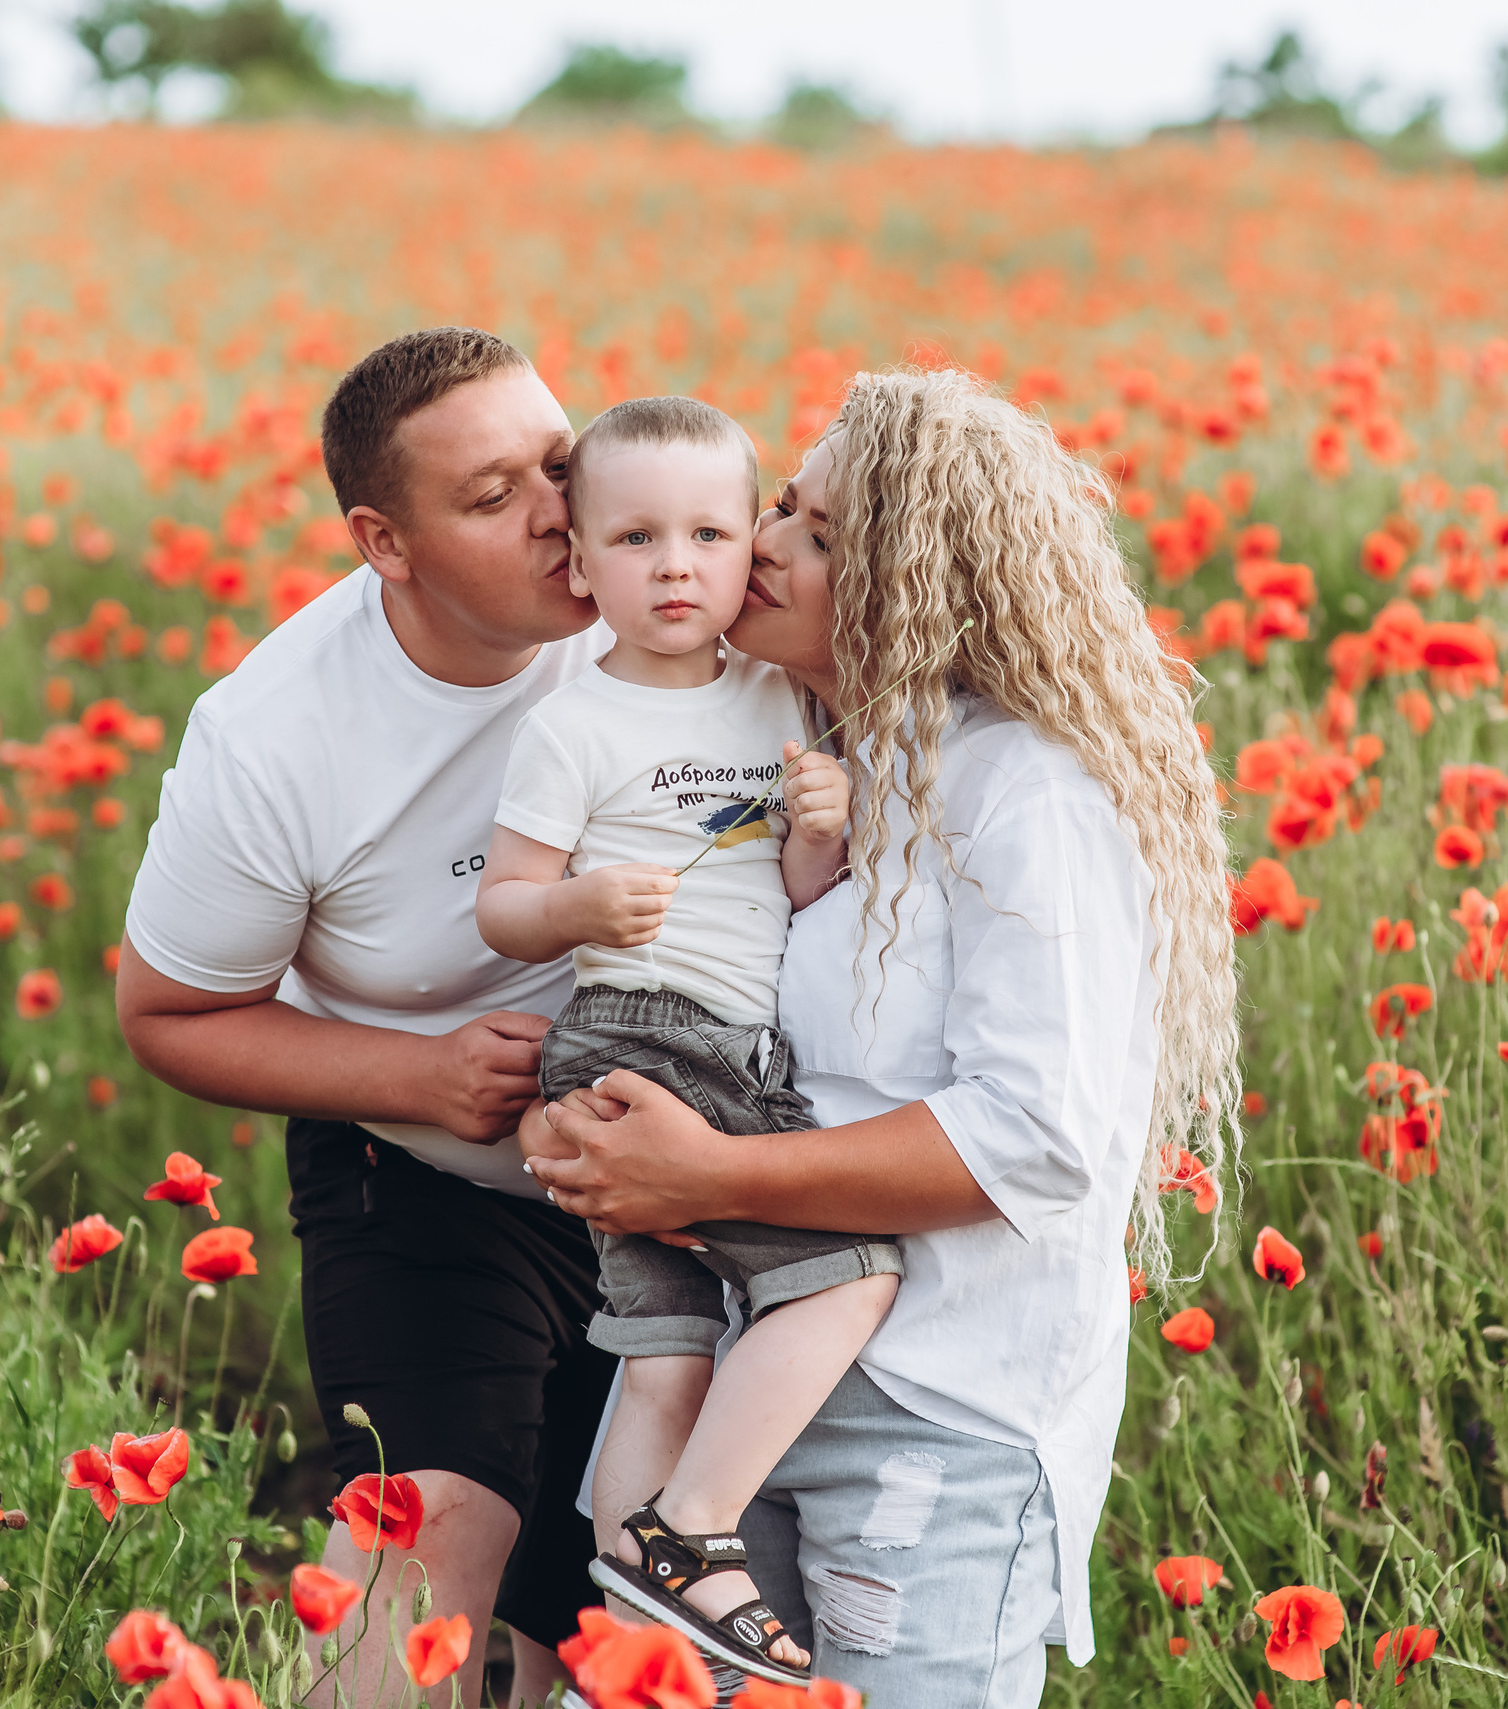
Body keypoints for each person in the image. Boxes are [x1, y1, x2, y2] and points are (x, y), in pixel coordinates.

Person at [523, 367, 1241, 1706]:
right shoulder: (801, 756)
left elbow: (1034, 1138)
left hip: (934, 1417)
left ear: (921, 578)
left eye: (819, 531)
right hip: (740, 1377)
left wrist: (709, 1176)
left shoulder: (1029, 790)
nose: (763, 544)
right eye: (782, 507)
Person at [115, 327, 616, 1709]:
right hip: (426, 1169)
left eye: (561, 464)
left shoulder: (660, 588)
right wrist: (421, 1075)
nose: (559, 515)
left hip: (677, 1171)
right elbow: (169, 1011)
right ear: (384, 544)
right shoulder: (276, 736)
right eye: (494, 496)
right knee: (429, 1522)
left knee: (616, 1579)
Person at [473, 396, 896, 1684]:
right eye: (636, 538)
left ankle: (632, 1626)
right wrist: (577, 909)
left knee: (665, 1353)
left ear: (748, 545)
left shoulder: (778, 696)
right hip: (643, 1039)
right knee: (850, 1274)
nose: (675, 567)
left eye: (710, 535)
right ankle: (692, 1535)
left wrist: (820, 826)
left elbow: (799, 896)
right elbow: (505, 904)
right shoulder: (573, 725)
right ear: (581, 562)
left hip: (734, 1045)